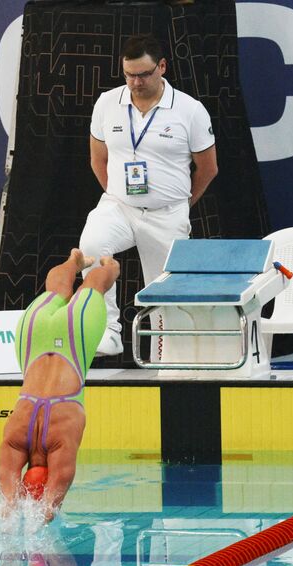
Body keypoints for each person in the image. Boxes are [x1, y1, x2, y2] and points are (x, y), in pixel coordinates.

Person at [79, 34, 217, 356]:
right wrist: (119, 193)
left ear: (162, 67)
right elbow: (98, 159)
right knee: (91, 244)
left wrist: (181, 205)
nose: (136, 82)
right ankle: (107, 331)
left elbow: (208, 168)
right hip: (119, 206)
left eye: (143, 74)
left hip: (167, 212)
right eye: (129, 75)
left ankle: (165, 360)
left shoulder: (190, 110)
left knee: (163, 294)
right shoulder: (106, 103)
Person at [0, 249, 119, 519]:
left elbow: (52, 500)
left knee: (95, 285)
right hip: (33, 336)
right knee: (56, 290)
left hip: (74, 335)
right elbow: (6, 487)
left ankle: (111, 265)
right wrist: (10, 506)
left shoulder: (62, 438)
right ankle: (72, 262)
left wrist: (41, 512)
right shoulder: (16, 435)